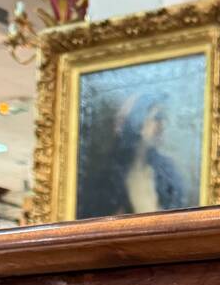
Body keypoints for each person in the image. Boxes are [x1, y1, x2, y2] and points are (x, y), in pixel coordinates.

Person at [78, 89, 189, 218]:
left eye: (163, 118)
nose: (162, 125)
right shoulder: (106, 179)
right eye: (157, 118)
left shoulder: (168, 172)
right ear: (136, 123)